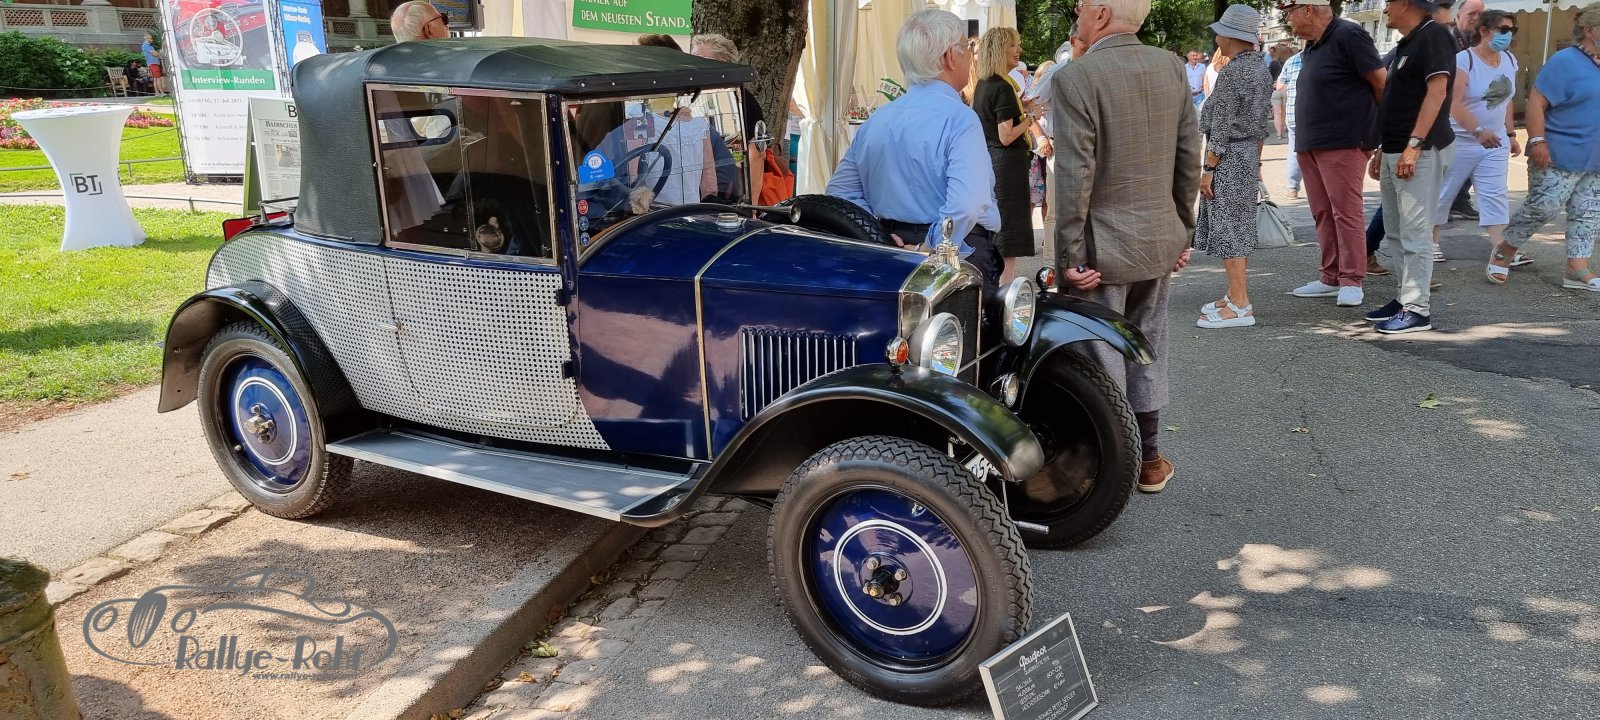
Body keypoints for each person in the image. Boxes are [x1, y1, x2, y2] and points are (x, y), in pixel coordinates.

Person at [1053, 0, 1200, 493]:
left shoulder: (1077, 77)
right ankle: (1149, 460)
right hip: (1157, 238)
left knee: (1099, 355)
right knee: (1148, 345)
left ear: (1100, 13)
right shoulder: (1171, 67)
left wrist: (1071, 256)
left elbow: (1074, 176)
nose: (1076, 16)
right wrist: (1182, 232)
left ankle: (1108, 470)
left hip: (1100, 248)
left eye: (1080, 7)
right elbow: (1188, 157)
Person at [827, 9, 1003, 285]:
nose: (971, 57)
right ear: (949, 56)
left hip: (889, 248)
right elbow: (966, 204)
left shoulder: (878, 119)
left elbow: (840, 192)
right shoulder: (960, 118)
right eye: (966, 48)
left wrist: (878, 235)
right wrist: (929, 246)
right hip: (954, 254)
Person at [1283, 0, 1386, 308]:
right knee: (1323, 212)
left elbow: (1382, 84)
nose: (1287, 19)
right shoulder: (1313, 45)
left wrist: (1380, 136)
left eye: (1289, 11)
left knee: (1345, 212)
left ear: (1307, 10)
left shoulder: (1348, 35)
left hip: (1343, 141)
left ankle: (1352, 279)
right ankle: (1330, 277)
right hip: (1312, 142)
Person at [1363, 0, 1456, 334]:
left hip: (1420, 150)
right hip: (1395, 148)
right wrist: (1382, 148)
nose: (1385, 9)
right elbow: (1398, 101)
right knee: (1397, 231)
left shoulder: (1434, 35)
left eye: (1389, 3)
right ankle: (1405, 298)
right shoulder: (1410, 41)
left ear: (1404, 3)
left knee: (1416, 233)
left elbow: (1437, 92)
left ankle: (1417, 309)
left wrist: (1414, 145)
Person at [1495, 3, 1600, 292]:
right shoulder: (1565, 61)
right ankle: (1506, 248)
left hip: (1595, 156)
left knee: (1588, 212)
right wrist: (1537, 140)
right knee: (1544, 206)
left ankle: (1576, 268)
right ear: (1590, 31)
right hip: (1559, 151)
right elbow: (1536, 103)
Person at [1195, 5, 1275, 329]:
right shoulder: (1260, 69)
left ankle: (1241, 304)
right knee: (1237, 226)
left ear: (1229, 36)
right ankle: (1234, 295)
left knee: (1229, 230)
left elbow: (1222, 126)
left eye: (1219, 32)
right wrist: (1256, 161)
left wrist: (1208, 169)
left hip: (1228, 157)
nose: (1216, 38)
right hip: (1245, 155)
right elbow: (1261, 125)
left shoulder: (1233, 72)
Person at [1433, 9, 1522, 285]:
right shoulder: (1464, 60)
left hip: (1494, 141)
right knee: (1443, 193)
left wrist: (1510, 133)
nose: (1508, 35)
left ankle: (1501, 249)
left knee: (1495, 194)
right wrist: (1478, 130)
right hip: (1460, 140)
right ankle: (1430, 242)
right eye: (1503, 30)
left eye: (1512, 30)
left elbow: (1506, 100)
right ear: (1484, 31)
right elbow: (1454, 102)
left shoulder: (1509, 60)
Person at [974, 27, 1040, 284]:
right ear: (1000, 49)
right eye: (1013, 45)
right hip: (1007, 164)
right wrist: (1031, 117)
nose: (1019, 50)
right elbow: (1007, 135)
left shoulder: (984, 83)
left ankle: (994, 285)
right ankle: (1005, 290)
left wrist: (1020, 108)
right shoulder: (1003, 87)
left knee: (996, 226)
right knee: (1009, 230)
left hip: (991, 160)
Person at [690, 34, 767, 204]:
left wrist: (751, 207)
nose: (692, 65)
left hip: (728, 195)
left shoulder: (742, 100)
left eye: (699, 59)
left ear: (721, 63)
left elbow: (755, 155)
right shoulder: (693, 97)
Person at [1277, 49, 1303, 197]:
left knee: (1294, 151)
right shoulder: (1327, 57)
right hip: (1317, 116)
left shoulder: (1292, 60)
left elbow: (1280, 87)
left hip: (1294, 114)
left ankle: (1292, 187)